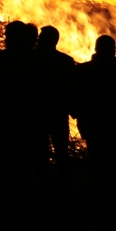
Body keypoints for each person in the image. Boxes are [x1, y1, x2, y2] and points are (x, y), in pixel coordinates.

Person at [0, 21, 45, 176]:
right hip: (28, 122)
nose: (5, 39)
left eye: (8, 36)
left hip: (6, 121)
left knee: (3, 163)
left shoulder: (0, 59)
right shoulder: (37, 61)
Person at [73, 35, 116, 178]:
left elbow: (75, 95)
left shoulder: (84, 70)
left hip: (92, 124)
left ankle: (98, 195)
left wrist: (77, 113)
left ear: (96, 49)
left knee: (97, 163)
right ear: (114, 50)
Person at [34, 26, 75, 168]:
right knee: (61, 151)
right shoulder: (66, 61)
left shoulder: (31, 60)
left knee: (40, 152)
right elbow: (72, 89)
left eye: (41, 37)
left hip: (38, 113)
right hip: (58, 113)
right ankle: (63, 183)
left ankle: (45, 184)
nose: (38, 39)